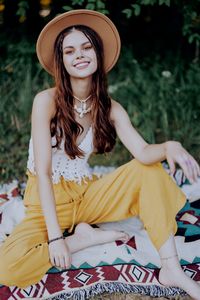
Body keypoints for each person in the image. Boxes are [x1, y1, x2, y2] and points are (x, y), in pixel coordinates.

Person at [0, 9, 200, 299]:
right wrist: (58, 239)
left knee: (150, 171)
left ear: (98, 53)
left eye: (86, 47)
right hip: (46, 205)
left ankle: (171, 268)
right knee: (7, 267)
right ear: (62, 61)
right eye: (70, 51)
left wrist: (169, 146)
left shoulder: (111, 107)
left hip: (87, 195)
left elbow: (143, 152)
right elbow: (43, 172)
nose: (79, 55)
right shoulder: (45, 101)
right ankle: (81, 240)